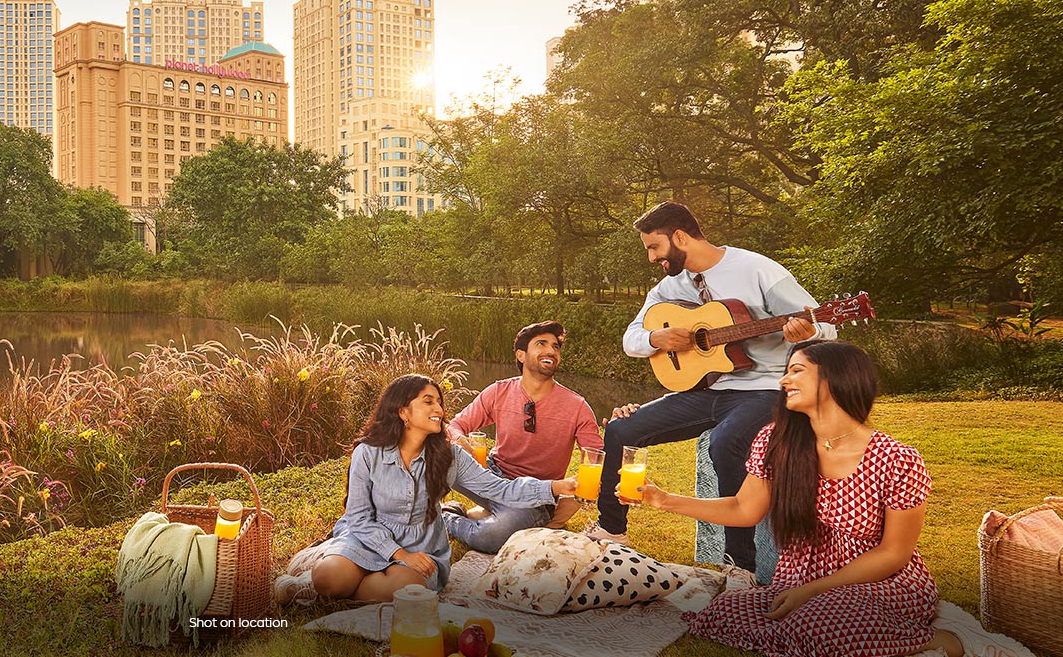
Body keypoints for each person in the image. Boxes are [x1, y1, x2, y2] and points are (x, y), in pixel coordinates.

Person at [626, 341, 959, 657]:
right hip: (798, 581)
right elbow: (744, 508)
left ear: (836, 379)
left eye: (797, 370)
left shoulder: (897, 458)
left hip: (878, 581)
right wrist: (664, 500)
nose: (784, 379)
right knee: (724, 611)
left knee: (817, 624)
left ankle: (942, 641)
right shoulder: (777, 440)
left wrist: (815, 591)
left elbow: (894, 552)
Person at [583, 201, 837, 577]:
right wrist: (658, 337)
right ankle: (613, 528)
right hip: (706, 390)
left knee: (725, 442)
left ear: (680, 237)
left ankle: (740, 566)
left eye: (655, 247)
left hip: (764, 388)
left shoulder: (758, 269)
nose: (652, 257)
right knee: (621, 429)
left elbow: (827, 328)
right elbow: (631, 339)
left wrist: (809, 331)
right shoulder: (669, 288)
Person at [275, 374, 577, 603]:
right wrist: (397, 554)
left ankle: (332, 583)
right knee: (329, 579)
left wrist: (552, 487)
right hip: (368, 535)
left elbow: (499, 489)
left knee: (405, 590)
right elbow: (357, 517)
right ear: (403, 412)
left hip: (421, 545)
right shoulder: (368, 452)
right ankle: (327, 575)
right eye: (428, 401)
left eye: (439, 402)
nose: (439, 409)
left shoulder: (449, 455)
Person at [440, 321, 604, 553]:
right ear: (521, 355)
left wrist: (567, 504)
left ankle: (447, 518)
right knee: (441, 453)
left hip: (536, 496)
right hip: (491, 477)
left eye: (556, 347)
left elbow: (596, 460)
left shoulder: (577, 407)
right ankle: (488, 512)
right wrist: (459, 441)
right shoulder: (499, 391)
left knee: (494, 536)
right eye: (541, 344)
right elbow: (456, 425)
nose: (551, 351)